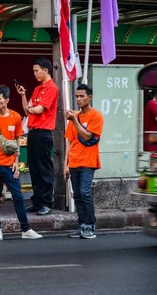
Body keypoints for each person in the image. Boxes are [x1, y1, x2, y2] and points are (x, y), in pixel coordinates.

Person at [0, 86, 43, 241]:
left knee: (18, 196)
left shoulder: (15, 117)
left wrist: (16, 161)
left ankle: (26, 229)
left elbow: (18, 140)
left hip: (9, 164)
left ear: (7, 100)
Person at [16, 58, 58, 215]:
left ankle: (46, 202)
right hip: (33, 132)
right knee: (33, 168)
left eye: (36, 71)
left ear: (45, 70)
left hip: (44, 132)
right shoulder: (36, 89)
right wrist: (23, 95)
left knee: (44, 169)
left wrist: (32, 107)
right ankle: (38, 201)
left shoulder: (51, 88)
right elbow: (28, 110)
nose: (34, 74)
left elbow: (39, 109)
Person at [64, 84, 103, 239]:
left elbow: (88, 136)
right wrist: (65, 165)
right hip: (73, 161)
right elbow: (69, 141)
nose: (79, 99)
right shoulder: (74, 116)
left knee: (85, 193)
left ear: (90, 97)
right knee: (77, 195)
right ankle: (82, 225)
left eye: (82, 96)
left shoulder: (95, 116)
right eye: (77, 96)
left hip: (88, 161)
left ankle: (90, 226)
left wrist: (74, 120)